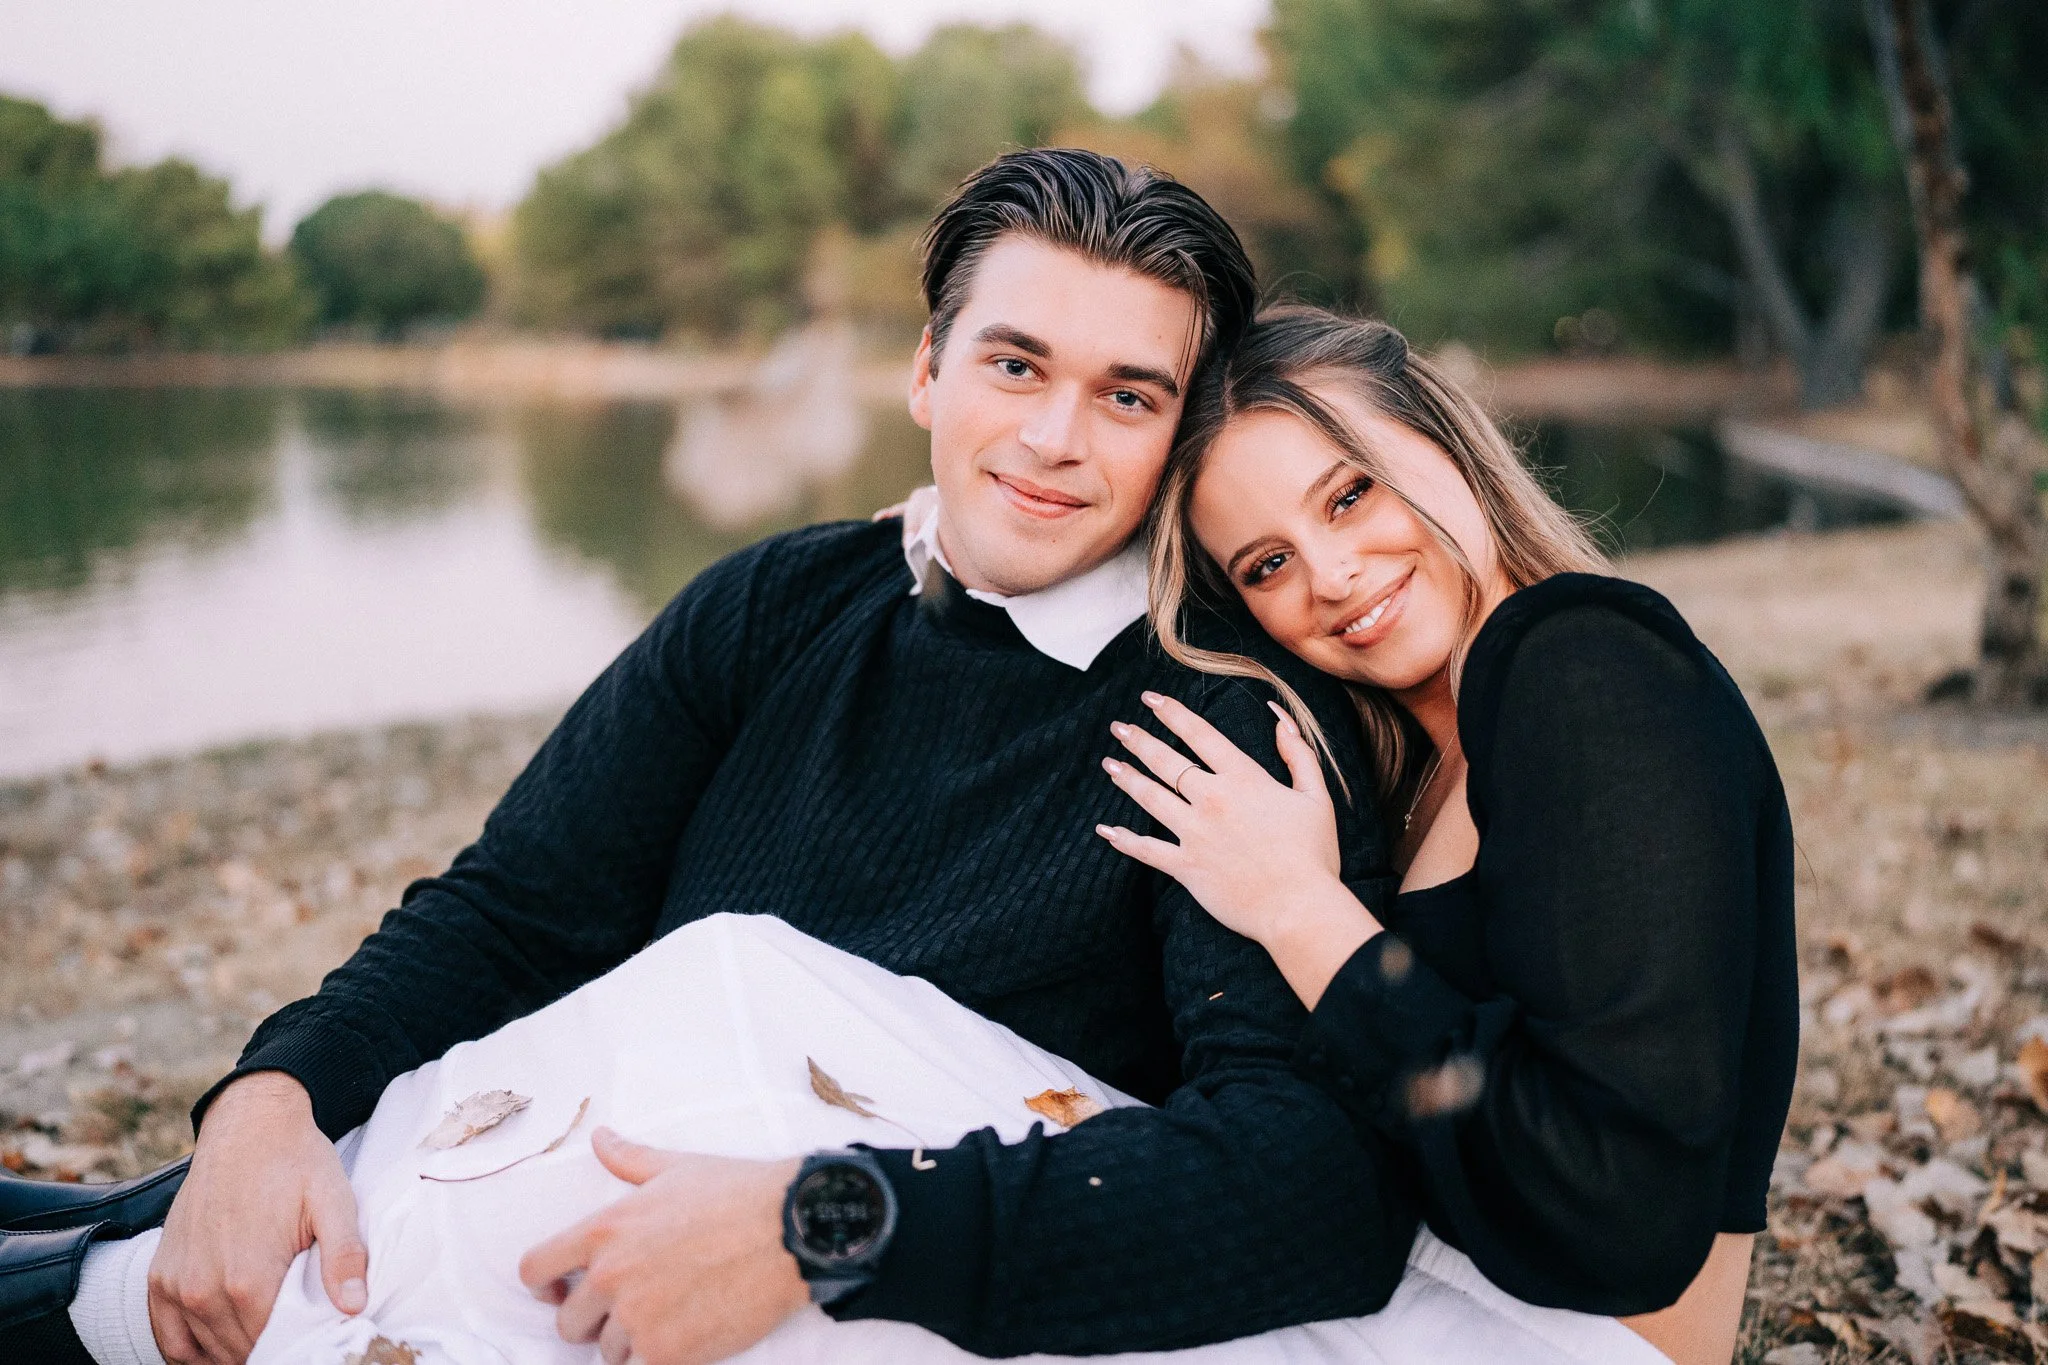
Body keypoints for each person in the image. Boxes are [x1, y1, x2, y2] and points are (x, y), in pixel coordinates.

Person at [0, 151, 1421, 1365]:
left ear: (1179, 437)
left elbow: (1317, 1184)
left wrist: (824, 1229)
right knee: (137, 1271)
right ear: (928, 372)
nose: (1053, 439)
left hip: (833, 1297)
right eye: (1014, 363)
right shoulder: (778, 600)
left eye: (1127, 395)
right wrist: (270, 1099)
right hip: (535, 1190)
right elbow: (511, 910)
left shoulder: (1224, 715)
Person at [1093, 307, 1800, 1365]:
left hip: (1567, 1335)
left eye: (1348, 493)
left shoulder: (1580, 664)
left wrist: (1302, 913)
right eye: (1266, 565)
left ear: (1443, 437)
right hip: (1418, 1285)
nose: (1331, 575)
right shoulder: (1419, 769)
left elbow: (1616, 1211)